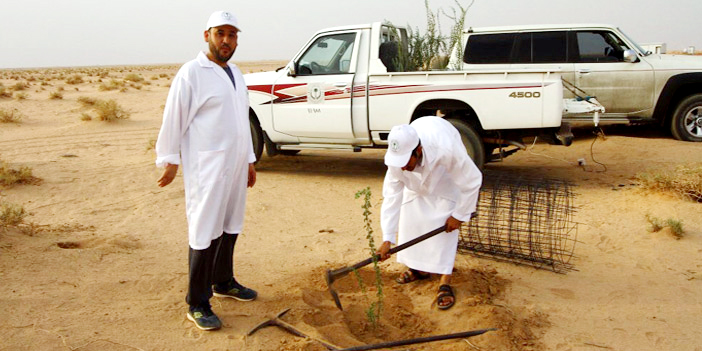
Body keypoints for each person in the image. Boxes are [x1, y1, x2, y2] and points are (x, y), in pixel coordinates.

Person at [155, 10, 257, 331]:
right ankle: (197, 302)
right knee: (204, 229)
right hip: (208, 168)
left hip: (236, 166)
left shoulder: (236, 73)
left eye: (232, 35)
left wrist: (250, 160)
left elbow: (242, 120)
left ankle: (223, 281)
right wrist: (169, 159)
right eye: (220, 34)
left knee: (230, 224)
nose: (226, 41)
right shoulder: (192, 73)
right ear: (207, 36)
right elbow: (175, 117)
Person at [376, 116, 482, 310]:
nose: (402, 167)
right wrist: (387, 239)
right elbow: (391, 197)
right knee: (411, 219)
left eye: (406, 161)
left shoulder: (447, 151)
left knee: (444, 225)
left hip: (445, 178)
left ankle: (444, 282)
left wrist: (459, 215)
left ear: (418, 150)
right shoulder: (397, 162)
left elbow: (473, 180)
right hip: (416, 184)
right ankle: (418, 269)